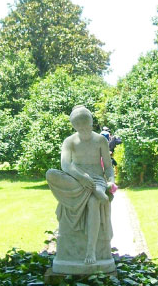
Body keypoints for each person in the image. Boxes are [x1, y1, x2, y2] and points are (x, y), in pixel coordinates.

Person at [46, 105, 115, 265]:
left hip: (96, 179)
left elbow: (108, 166)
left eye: (87, 126)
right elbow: (65, 165)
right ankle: (96, 192)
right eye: (80, 127)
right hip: (77, 179)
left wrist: (110, 180)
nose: (84, 130)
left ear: (91, 123)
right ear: (75, 127)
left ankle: (90, 250)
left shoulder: (100, 140)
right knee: (50, 173)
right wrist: (82, 178)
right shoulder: (70, 141)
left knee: (93, 202)